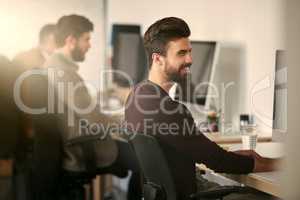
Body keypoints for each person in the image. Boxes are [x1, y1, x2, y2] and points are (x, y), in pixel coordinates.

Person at [125, 17, 281, 199]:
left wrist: (235, 156)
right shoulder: (170, 109)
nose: (190, 59)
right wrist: (276, 164)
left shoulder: (136, 96)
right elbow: (219, 162)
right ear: (158, 59)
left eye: (190, 52)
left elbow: (204, 152)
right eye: (181, 53)